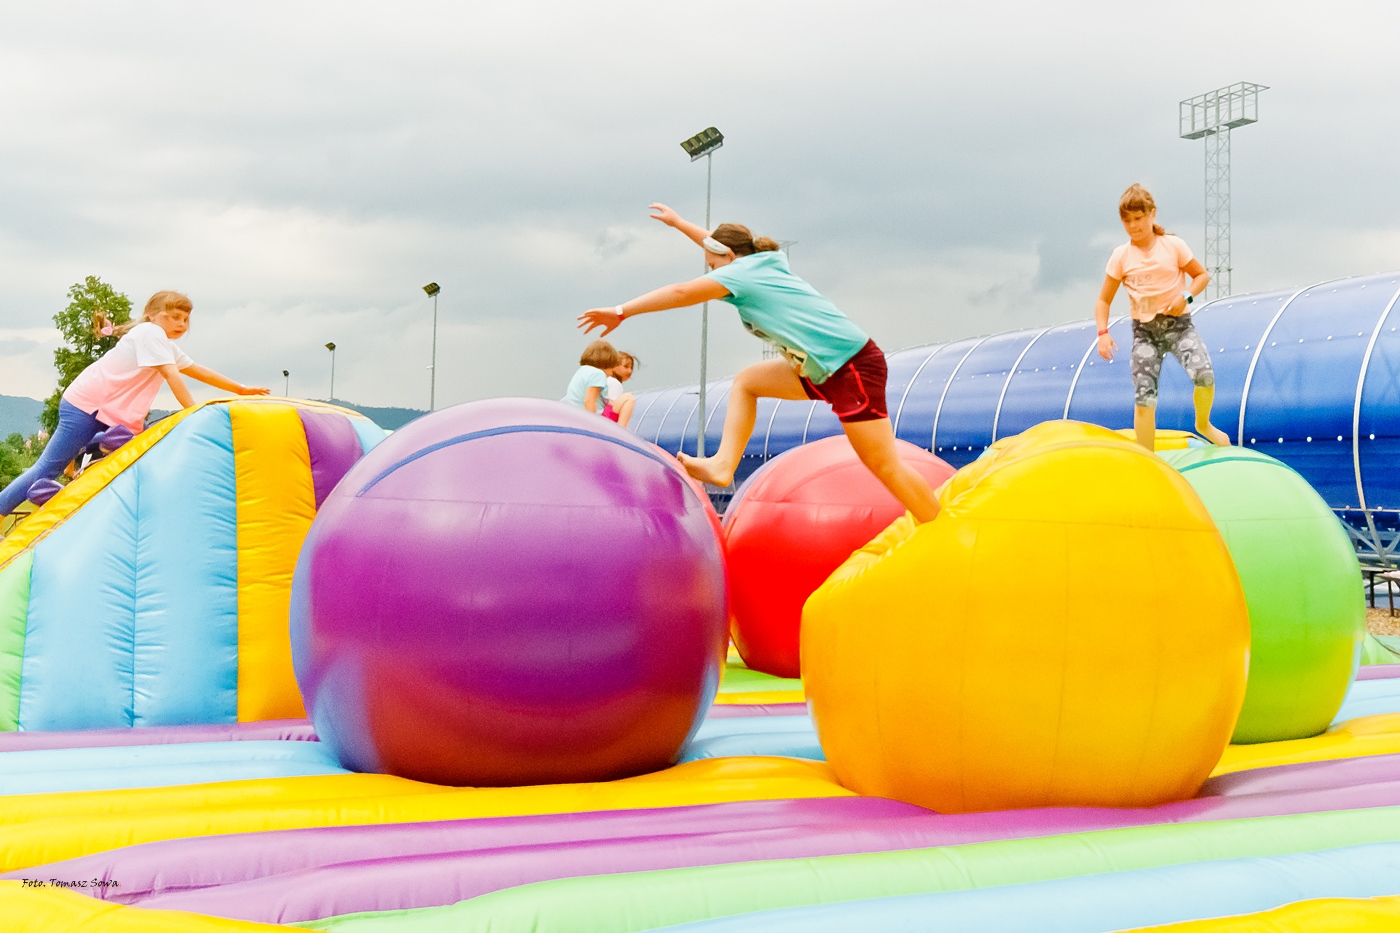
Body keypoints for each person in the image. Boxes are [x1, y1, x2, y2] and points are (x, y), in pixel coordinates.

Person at [578, 204, 941, 522]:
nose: (713, 274)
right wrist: (680, 223)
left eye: (713, 266)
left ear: (728, 259)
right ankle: (723, 465)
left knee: (883, 465)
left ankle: (938, 526)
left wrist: (622, 311)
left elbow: (681, 293)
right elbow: (715, 244)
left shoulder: (740, 273)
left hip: (850, 366)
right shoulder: (757, 261)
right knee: (749, 381)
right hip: (822, 369)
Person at [0, 290, 269, 517]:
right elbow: (171, 374)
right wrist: (192, 410)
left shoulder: (163, 343)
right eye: (174, 317)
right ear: (152, 315)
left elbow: (197, 369)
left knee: (134, 436)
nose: (181, 324)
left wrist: (241, 389)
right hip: (87, 405)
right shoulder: (150, 333)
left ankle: (93, 446)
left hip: (109, 412)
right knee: (48, 468)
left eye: (186, 319)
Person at [1096, 184, 1231, 451]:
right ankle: (1149, 458)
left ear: (1151, 214)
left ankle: (1203, 424)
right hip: (1145, 332)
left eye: (1138, 218)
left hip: (1179, 327)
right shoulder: (1121, 257)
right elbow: (1103, 300)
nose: (1133, 226)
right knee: (1145, 399)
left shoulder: (1172, 246)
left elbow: (1201, 276)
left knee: (1204, 376)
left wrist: (1186, 296)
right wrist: (1103, 333)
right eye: (1127, 221)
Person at [562, 339, 623, 417]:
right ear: (607, 364)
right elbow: (589, 400)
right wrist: (593, 422)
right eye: (612, 370)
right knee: (628, 400)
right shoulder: (598, 374)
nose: (611, 374)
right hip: (590, 417)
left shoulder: (582, 370)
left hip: (573, 412)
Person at [601, 351, 638, 427]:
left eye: (631, 368)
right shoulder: (614, 383)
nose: (629, 371)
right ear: (614, 366)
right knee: (629, 398)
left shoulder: (606, 380)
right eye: (626, 366)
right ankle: (621, 431)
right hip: (606, 418)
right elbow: (612, 406)